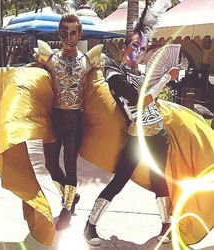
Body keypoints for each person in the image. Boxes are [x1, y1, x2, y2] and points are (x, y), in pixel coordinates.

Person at [84, 0, 177, 246]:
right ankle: (90, 226)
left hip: (159, 134)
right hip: (136, 136)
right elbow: (140, 100)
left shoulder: (143, 72)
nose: (138, 51)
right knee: (120, 179)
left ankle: (167, 226)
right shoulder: (114, 73)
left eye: (143, 48)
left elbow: (152, 103)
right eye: (135, 45)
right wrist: (167, 78)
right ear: (126, 46)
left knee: (160, 179)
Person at [34, 13, 103, 231]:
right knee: (50, 163)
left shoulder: (89, 60)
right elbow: (28, 76)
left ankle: (66, 210)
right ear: (59, 33)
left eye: (73, 32)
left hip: (75, 117)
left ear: (80, 33)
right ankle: (71, 196)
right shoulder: (49, 58)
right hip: (54, 115)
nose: (69, 37)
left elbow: (103, 85)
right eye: (65, 32)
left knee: (71, 164)